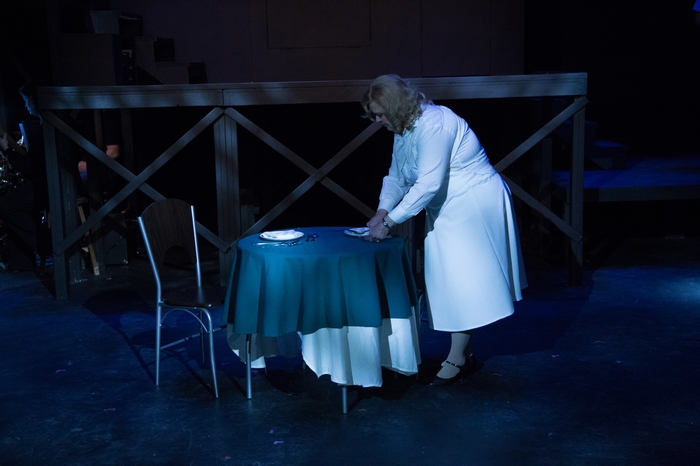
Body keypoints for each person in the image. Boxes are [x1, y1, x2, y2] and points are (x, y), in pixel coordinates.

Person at [362, 75, 527, 386]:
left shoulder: (435, 123)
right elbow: (397, 176)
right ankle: (464, 353)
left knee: (460, 281)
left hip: (473, 202)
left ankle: (457, 357)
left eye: (380, 114)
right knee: (449, 280)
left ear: (395, 107)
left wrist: (388, 223)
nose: (378, 120)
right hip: (447, 206)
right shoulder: (403, 129)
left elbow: (428, 183)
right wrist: (383, 210)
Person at [0, 82, 49, 271]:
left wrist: (7, 150)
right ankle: (22, 264)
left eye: (27, 100)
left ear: (36, 100)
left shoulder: (46, 128)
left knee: (6, 206)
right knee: (13, 201)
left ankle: (49, 244)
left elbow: (30, 167)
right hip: (46, 182)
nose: (26, 104)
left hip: (50, 185)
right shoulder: (44, 126)